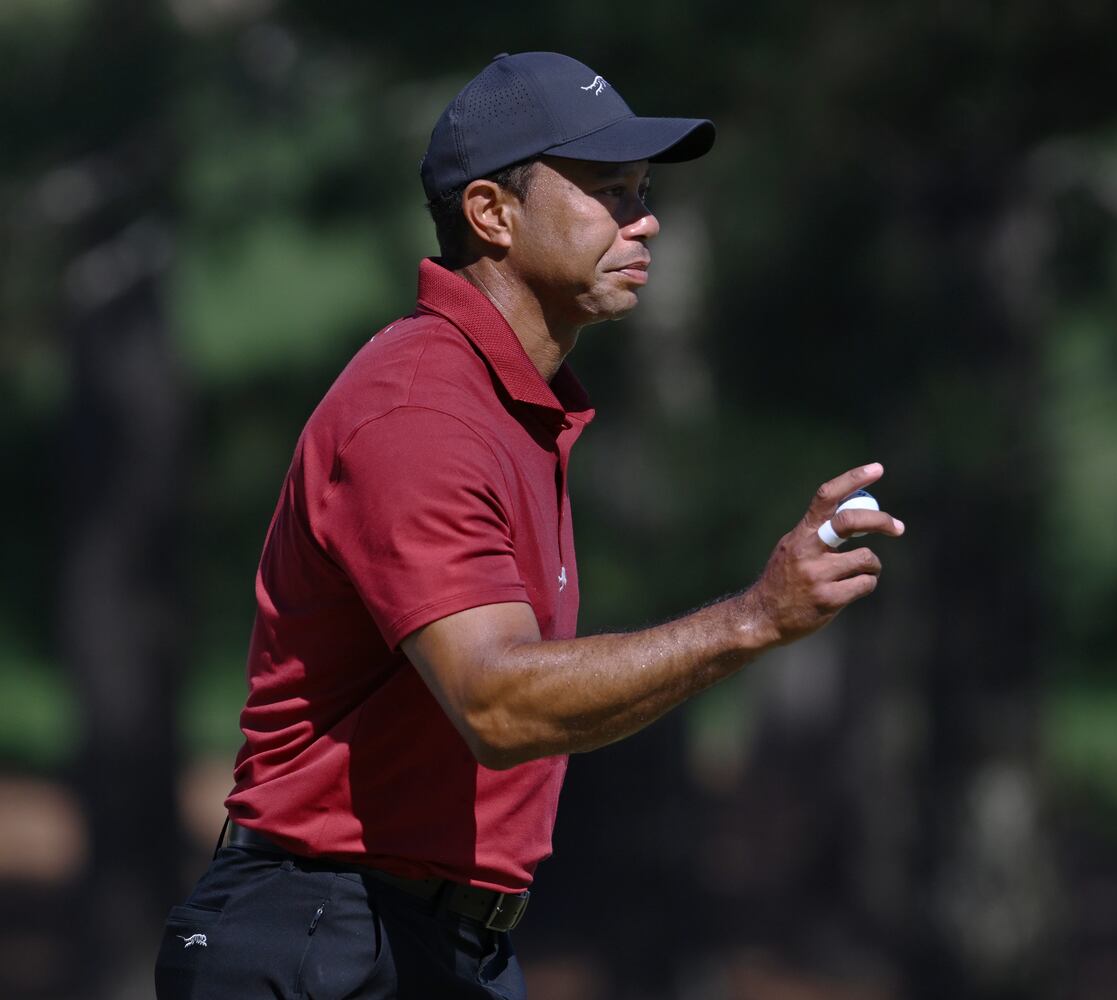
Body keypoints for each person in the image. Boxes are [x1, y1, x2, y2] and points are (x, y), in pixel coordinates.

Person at [154, 51, 903, 999]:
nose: (645, 219)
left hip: (433, 941)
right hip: (326, 936)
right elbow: (497, 705)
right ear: (490, 213)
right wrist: (752, 617)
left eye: (641, 192)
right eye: (608, 191)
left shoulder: (510, 405)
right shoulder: (420, 411)